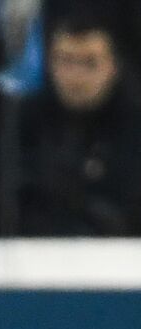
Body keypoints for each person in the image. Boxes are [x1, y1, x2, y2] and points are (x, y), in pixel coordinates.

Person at [14, 14, 141, 237]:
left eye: (90, 63)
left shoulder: (133, 123)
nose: (77, 76)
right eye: (66, 61)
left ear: (113, 66)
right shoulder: (26, 119)